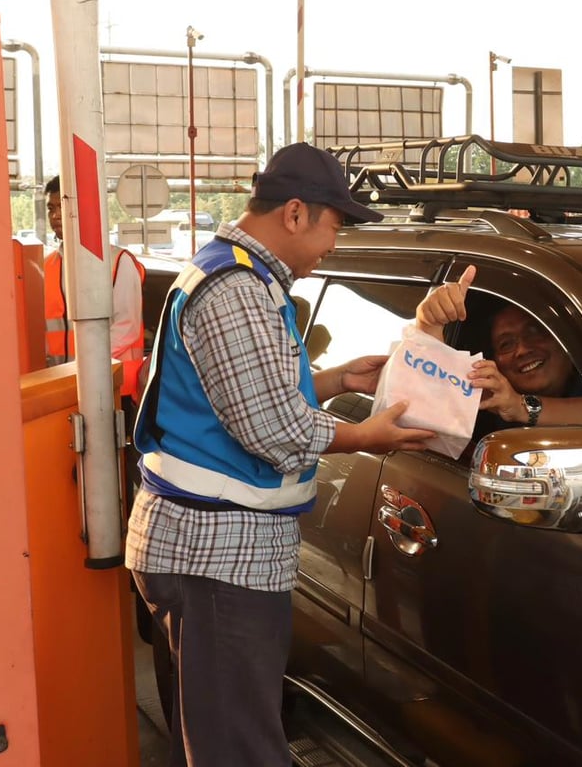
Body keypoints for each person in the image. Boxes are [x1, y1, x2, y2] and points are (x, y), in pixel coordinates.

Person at [126, 142, 435, 766]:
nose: (335, 245)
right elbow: (271, 428)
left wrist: (337, 381)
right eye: (335, 225)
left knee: (233, 733)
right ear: (296, 213)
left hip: (219, 549)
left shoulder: (243, 275)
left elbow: (238, 397)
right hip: (217, 556)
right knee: (239, 749)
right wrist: (363, 436)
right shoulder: (237, 288)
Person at [415, 265, 582, 433]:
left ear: (565, 341)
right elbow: (424, 412)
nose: (523, 350)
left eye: (534, 333)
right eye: (506, 344)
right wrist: (428, 327)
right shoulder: (485, 413)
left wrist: (520, 406)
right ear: (495, 362)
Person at [43, 175, 146, 399]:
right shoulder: (47, 266)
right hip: (64, 386)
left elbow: (126, 327)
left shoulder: (118, 261)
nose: (55, 215)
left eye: (62, 206)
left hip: (116, 387)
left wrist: (82, 367)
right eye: (51, 208)